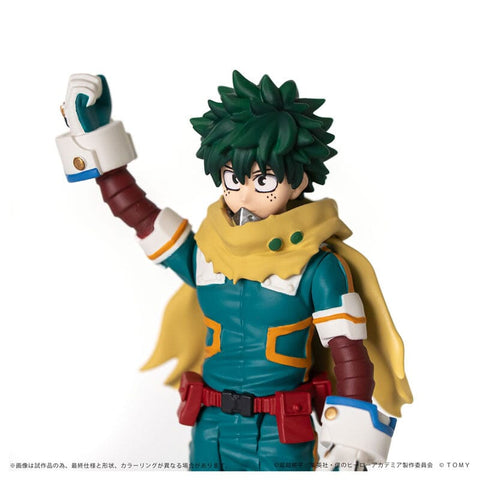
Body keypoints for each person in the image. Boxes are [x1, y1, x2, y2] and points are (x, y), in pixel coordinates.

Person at [56, 71, 412, 471]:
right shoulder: (208, 253)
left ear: (298, 182)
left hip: (280, 433)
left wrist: (349, 433)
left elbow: (350, 356)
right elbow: (138, 214)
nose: (244, 194)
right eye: (232, 178)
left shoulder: (318, 267)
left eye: (264, 180)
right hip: (210, 426)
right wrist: (95, 143)